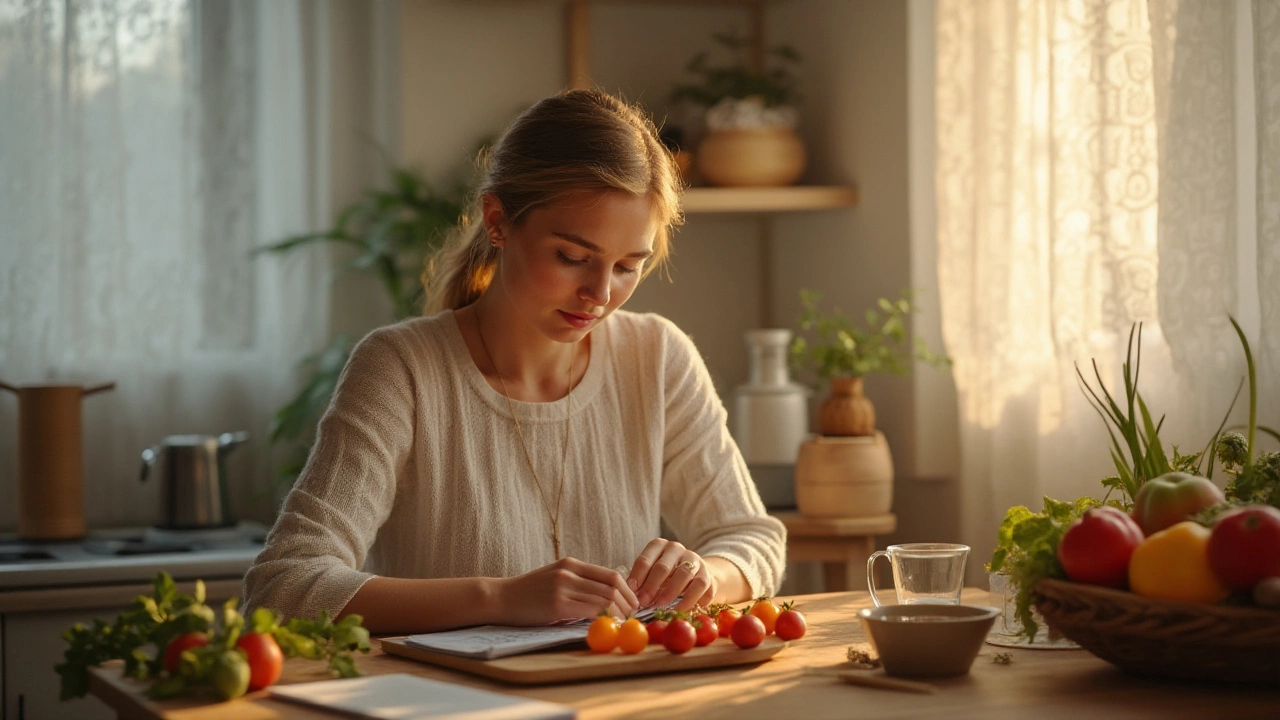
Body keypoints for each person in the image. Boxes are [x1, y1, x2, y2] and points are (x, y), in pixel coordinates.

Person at [243, 89, 787, 634]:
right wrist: (500, 598)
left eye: (628, 266)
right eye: (573, 258)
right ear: (498, 220)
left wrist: (705, 576)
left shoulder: (658, 357)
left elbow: (755, 539)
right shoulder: (401, 369)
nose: (599, 292)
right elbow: (284, 586)